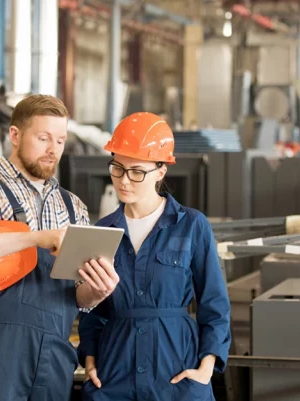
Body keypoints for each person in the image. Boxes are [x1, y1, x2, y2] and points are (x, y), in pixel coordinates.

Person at [0, 94, 120, 401]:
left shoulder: (73, 207)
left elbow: (78, 296)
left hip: (54, 353)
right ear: (15, 135)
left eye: (60, 141)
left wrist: (98, 290)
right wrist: (36, 238)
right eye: (43, 138)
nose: (53, 150)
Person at [76, 112, 231, 401]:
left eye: (137, 171)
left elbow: (214, 304)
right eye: (117, 168)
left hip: (176, 371)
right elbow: (93, 311)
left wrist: (206, 368)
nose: (124, 180)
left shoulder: (191, 225)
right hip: (114, 373)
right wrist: (90, 359)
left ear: (161, 171)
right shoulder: (103, 231)